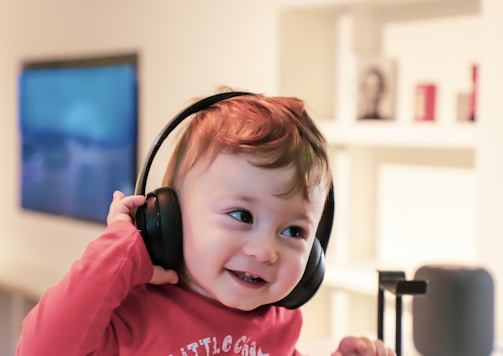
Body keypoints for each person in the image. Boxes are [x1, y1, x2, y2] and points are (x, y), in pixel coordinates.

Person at [17, 92, 394, 356]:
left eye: (294, 231)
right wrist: (120, 249)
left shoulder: (279, 322)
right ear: (169, 219)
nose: (265, 251)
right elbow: (40, 349)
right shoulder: (139, 312)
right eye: (242, 216)